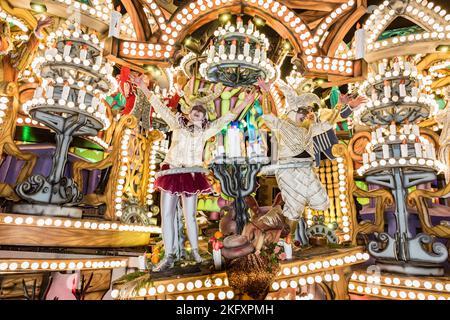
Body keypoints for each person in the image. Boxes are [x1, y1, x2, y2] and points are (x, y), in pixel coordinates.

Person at [133, 74, 252, 271]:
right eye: (195, 110)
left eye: (202, 111)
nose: (198, 112)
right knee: (168, 214)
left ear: (205, 116)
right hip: (171, 171)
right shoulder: (176, 123)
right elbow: (158, 105)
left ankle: (196, 252)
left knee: (190, 214)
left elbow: (227, 117)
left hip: (191, 175)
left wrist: (244, 103)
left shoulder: (206, 131)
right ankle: (170, 254)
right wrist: (143, 87)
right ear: (188, 112)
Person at [257, 78, 330, 246]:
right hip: (288, 170)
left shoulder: (309, 128)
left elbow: (328, 124)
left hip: (307, 169)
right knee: (294, 210)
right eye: (303, 111)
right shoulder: (282, 124)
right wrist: (266, 92)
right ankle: (285, 243)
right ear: (293, 110)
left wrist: (343, 107)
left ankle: (277, 221)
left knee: (321, 202)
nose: (306, 115)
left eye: (309, 111)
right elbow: (267, 115)